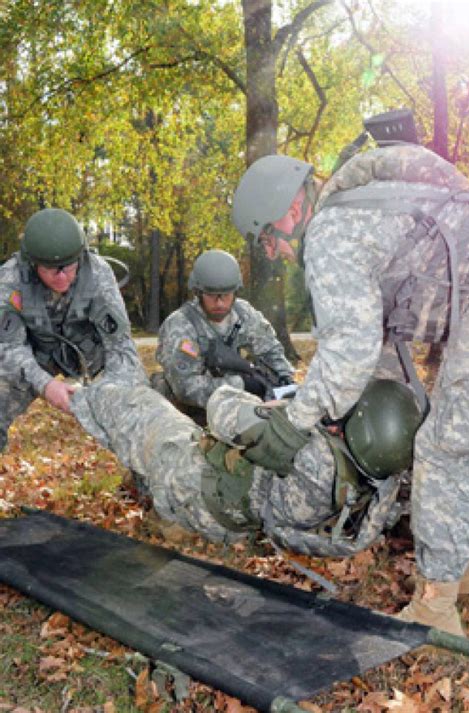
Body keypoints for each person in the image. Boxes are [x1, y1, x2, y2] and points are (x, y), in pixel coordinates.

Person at [231, 141, 469, 635]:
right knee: (454, 434)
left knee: (444, 446)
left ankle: (436, 612)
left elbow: (349, 355)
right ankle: (461, 565)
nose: (272, 253)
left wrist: (293, 425)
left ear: (292, 209)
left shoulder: (330, 232)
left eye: (266, 238)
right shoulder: (361, 212)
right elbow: (378, 352)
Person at [71, 375, 424, 573]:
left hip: (194, 489)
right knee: (137, 436)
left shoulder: (306, 452)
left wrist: (263, 399)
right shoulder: (379, 483)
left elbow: (221, 410)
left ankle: (73, 393)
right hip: (235, 524)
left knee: (135, 405)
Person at [0, 207, 147, 452]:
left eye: (69, 267)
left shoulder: (98, 273)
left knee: (136, 400)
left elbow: (120, 345)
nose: (61, 277)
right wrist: (46, 385)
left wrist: (116, 391)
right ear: (33, 263)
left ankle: (142, 477)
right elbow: (8, 347)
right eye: (50, 269)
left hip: (90, 354)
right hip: (35, 355)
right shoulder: (10, 279)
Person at [155, 249, 294, 422]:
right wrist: (241, 384)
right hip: (186, 415)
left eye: (226, 295)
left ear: (236, 292)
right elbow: (185, 388)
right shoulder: (180, 325)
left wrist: (284, 380)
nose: (219, 302)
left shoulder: (245, 314)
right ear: (198, 292)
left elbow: (271, 351)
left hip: (238, 408)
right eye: (212, 295)